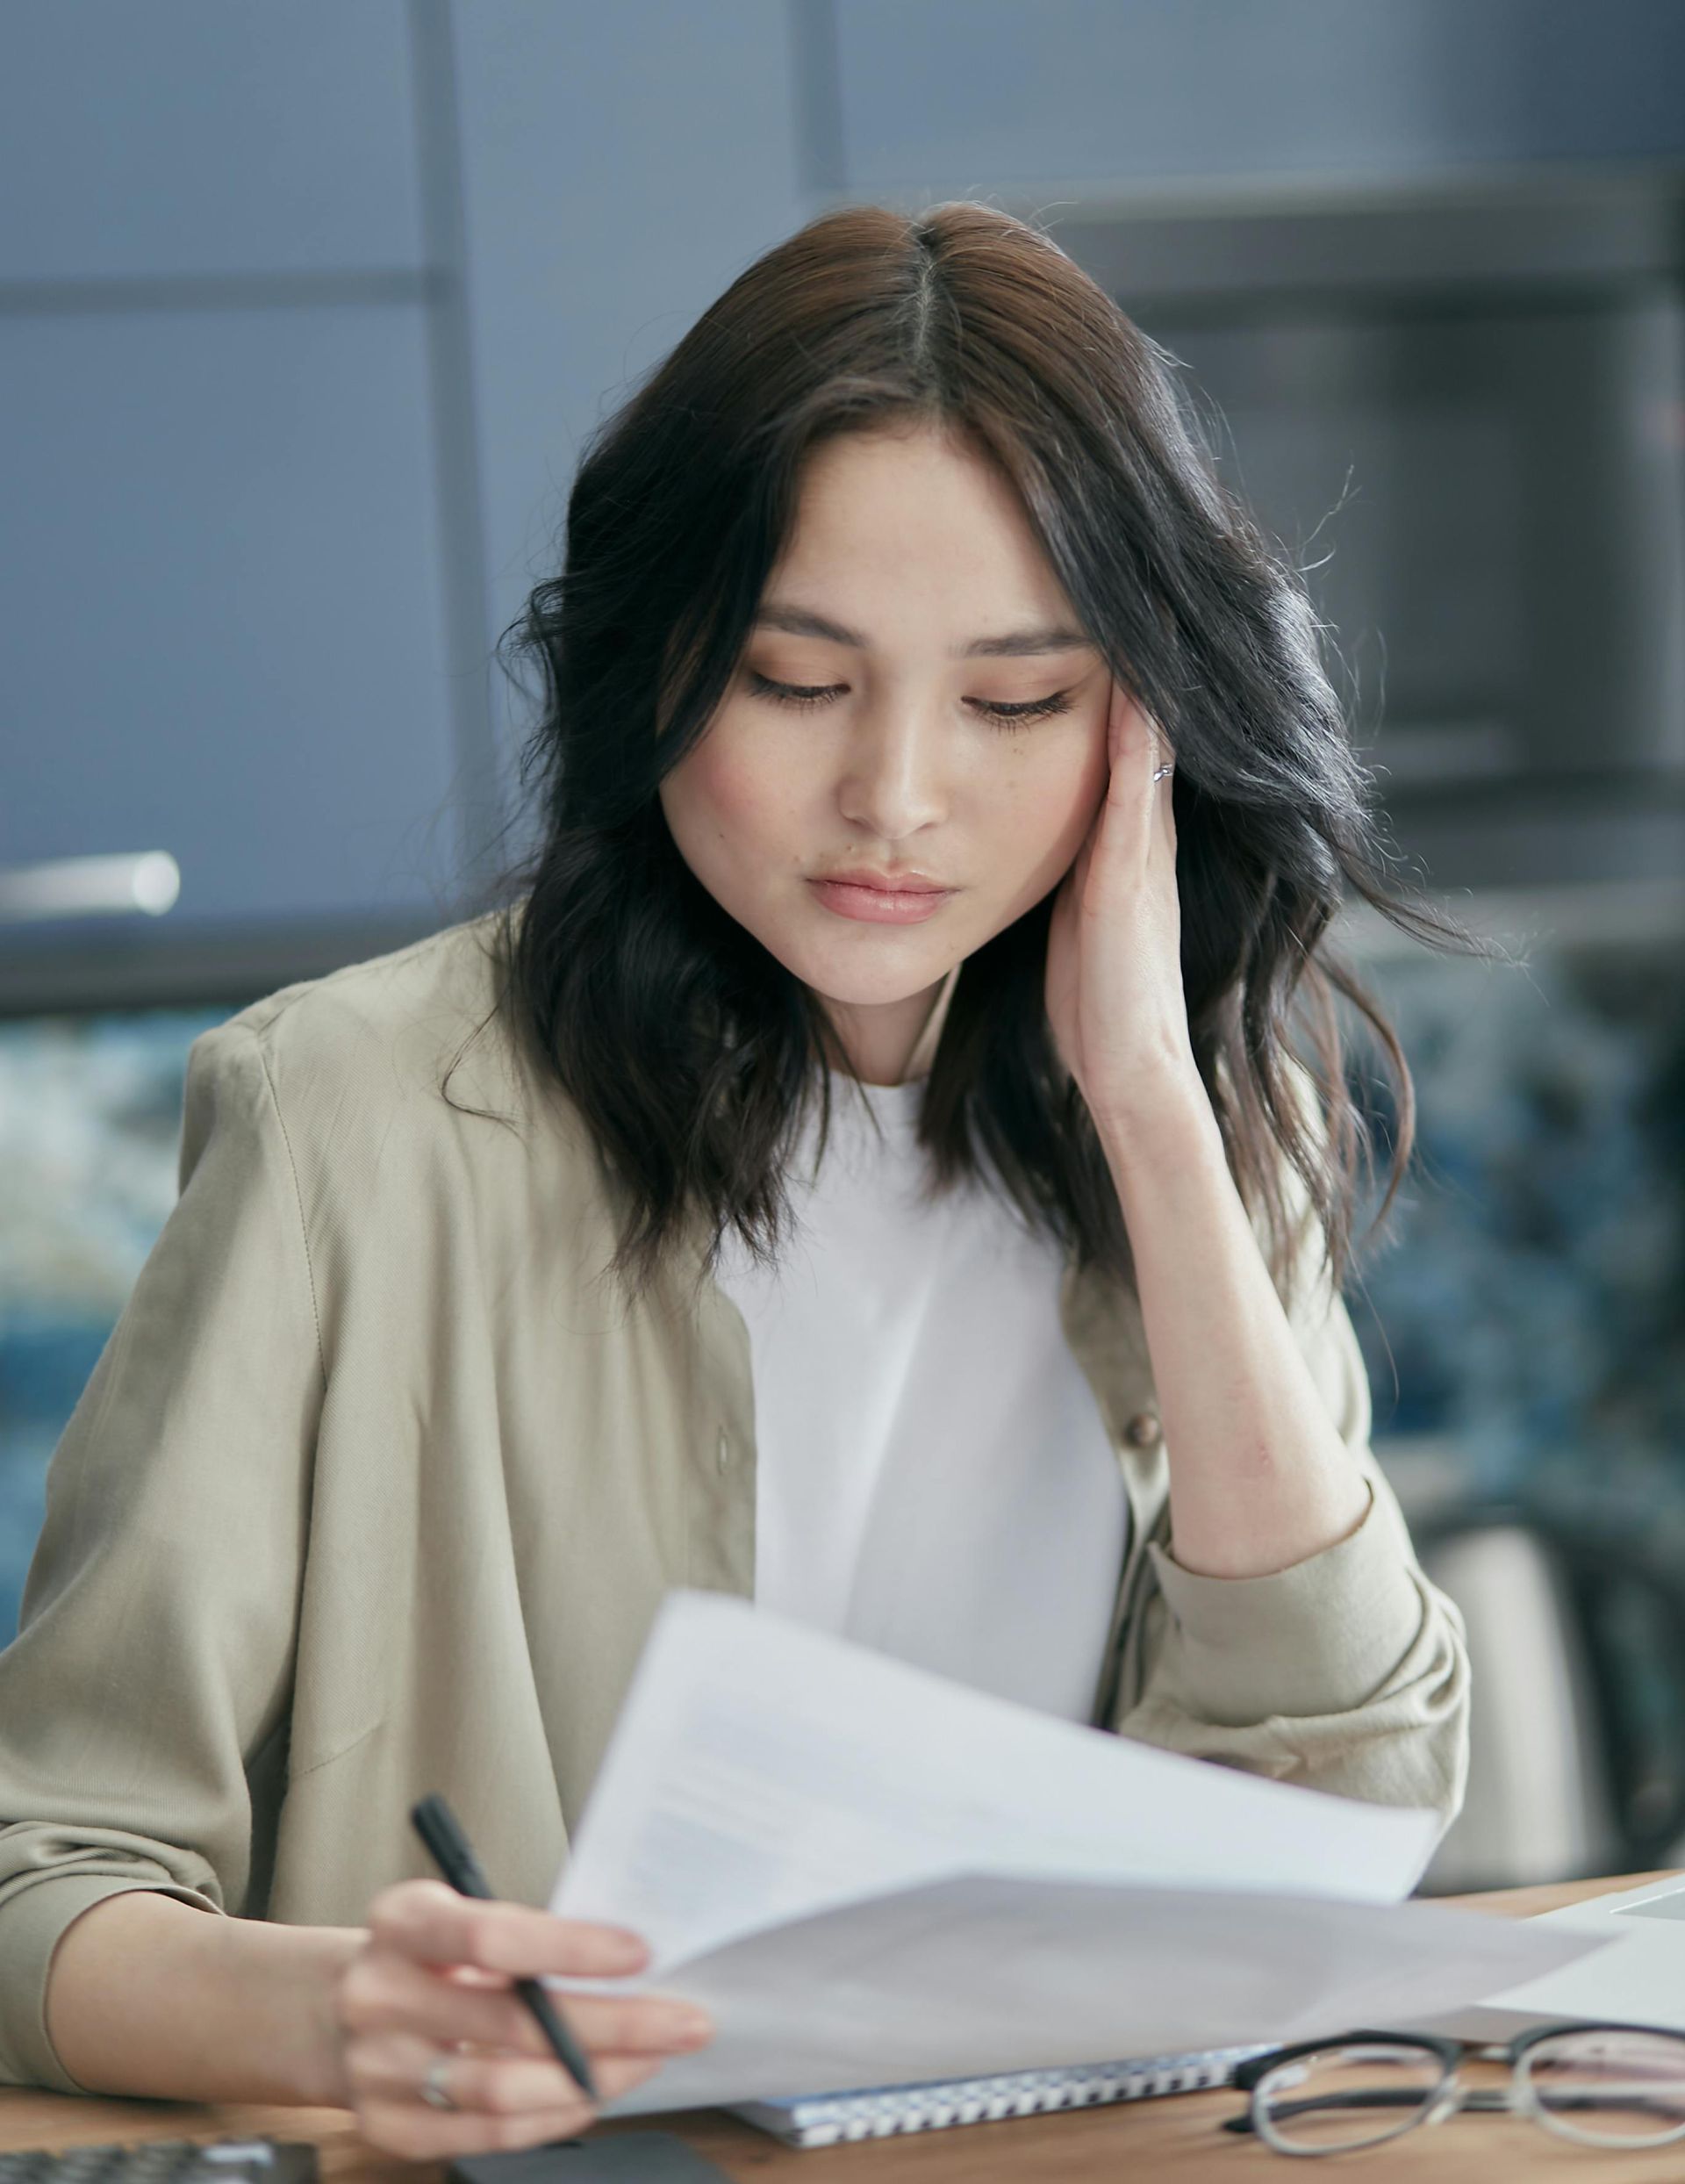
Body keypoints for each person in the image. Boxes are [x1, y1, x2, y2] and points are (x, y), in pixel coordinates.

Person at [0, 200, 1469, 2152]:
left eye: (1018, 702)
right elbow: (43, 1864)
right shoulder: (349, 1123)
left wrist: (1149, 1099)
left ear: (1148, 723)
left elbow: (1349, 1800)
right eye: (796, 679)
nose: (899, 797)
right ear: (661, 663)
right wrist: (344, 2008)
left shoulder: (1194, 1131)